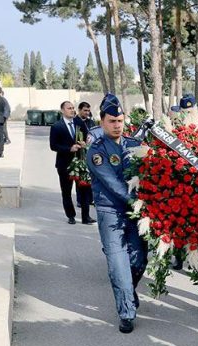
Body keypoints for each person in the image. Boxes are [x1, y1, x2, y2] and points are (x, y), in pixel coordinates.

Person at [86, 93, 147, 333]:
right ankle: (126, 312)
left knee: (140, 259)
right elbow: (113, 184)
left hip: (135, 215)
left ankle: (127, 293)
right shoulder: (96, 151)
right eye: (112, 121)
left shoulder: (134, 145)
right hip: (110, 212)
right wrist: (138, 203)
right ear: (102, 122)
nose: (117, 125)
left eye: (120, 120)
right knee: (118, 263)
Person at [50, 101, 90, 224]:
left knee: (84, 190)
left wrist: (85, 143)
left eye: (73, 108)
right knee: (66, 191)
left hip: (80, 162)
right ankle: (71, 216)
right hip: (64, 164)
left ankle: (85, 217)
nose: (72, 110)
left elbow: (87, 137)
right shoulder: (57, 126)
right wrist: (69, 149)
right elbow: (53, 146)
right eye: (69, 108)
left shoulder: (79, 123)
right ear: (62, 110)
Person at [73, 101, 96, 215]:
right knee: (80, 178)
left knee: (89, 178)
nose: (87, 113)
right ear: (79, 110)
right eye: (85, 110)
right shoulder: (74, 122)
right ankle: (80, 200)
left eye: (88, 110)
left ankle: (89, 199)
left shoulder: (91, 122)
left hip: (90, 153)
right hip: (78, 154)